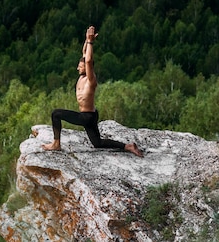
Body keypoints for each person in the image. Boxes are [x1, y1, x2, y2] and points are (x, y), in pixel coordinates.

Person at [41, 26, 143, 157]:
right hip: (91, 115)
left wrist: (90, 42)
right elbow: (85, 55)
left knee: (56, 114)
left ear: (87, 68)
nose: (78, 67)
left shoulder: (91, 80)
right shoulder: (82, 76)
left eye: (80, 66)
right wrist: (87, 41)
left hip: (87, 117)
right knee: (97, 143)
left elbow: (88, 61)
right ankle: (128, 146)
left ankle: (56, 144)